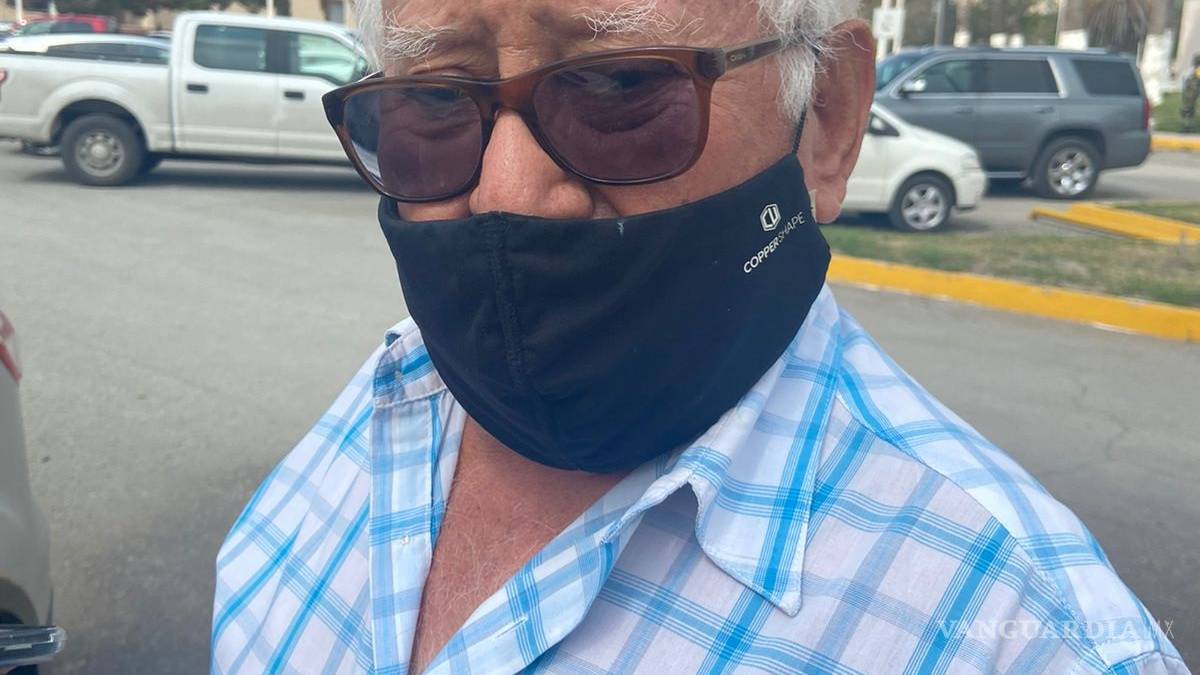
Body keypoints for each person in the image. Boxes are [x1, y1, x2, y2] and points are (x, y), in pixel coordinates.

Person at [211, 0, 1186, 672]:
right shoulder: (379, 405)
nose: (507, 191)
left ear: (828, 119)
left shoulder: (1032, 637)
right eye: (432, 98)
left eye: (619, 84)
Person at [1182, 54, 1200, 133]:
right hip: (1190, 93)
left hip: (1192, 93)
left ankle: (1188, 127)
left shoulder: (1196, 71)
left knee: (1189, 110)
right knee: (1188, 110)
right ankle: (1187, 126)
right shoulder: (1193, 71)